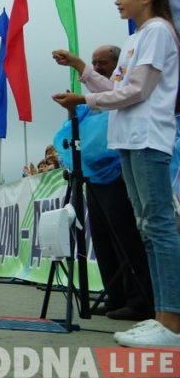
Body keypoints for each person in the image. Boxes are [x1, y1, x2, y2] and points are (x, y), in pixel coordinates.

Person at [52, 0, 180, 348]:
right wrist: (81, 69)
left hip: (148, 139)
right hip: (128, 140)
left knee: (158, 227)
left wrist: (85, 101)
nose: (117, 1)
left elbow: (138, 91)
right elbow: (119, 88)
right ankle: (160, 315)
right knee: (147, 228)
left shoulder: (157, 31)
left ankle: (171, 320)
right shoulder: (136, 39)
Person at [51, 44, 153, 321]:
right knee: (103, 239)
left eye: (102, 63)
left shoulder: (117, 90)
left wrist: (77, 65)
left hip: (116, 172)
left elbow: (109, 92)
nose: (97, 68)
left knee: (125, 237)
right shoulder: (95, 99)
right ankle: (116, 294)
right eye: (94, 64)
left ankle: (139, 299)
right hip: (93, 176)